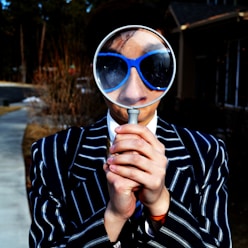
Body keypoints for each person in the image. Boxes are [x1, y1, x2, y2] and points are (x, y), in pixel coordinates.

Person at [28, 1, 232, 247]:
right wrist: (112, 217)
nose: (133, 92)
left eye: (152, 65)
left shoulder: (207, 154)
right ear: (96, 71)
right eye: (114, 66)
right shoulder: (52, 156)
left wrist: (161, 206)